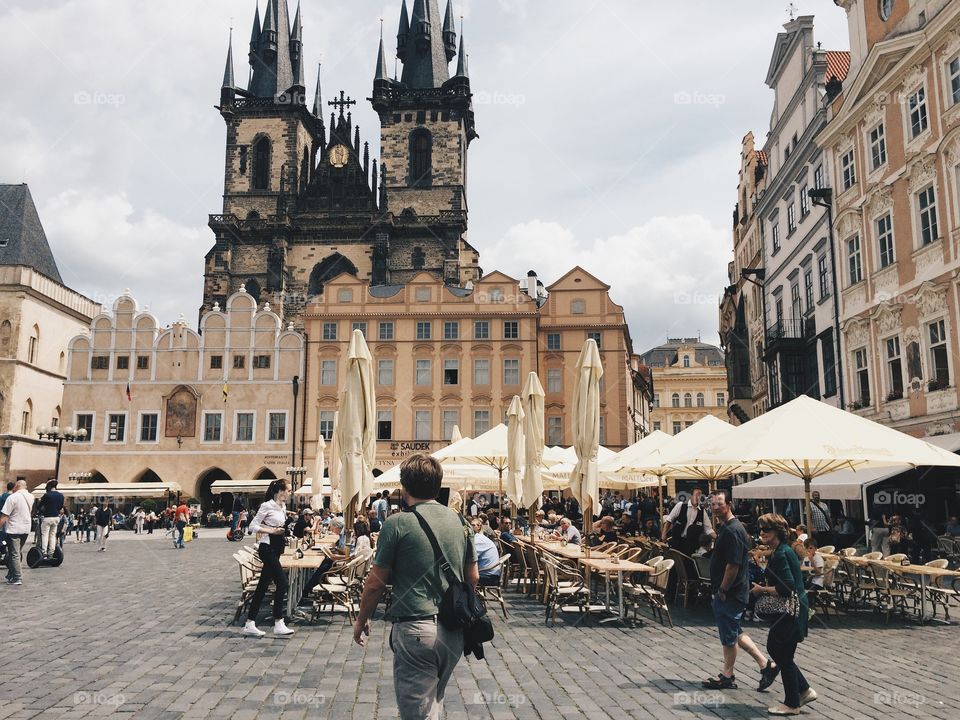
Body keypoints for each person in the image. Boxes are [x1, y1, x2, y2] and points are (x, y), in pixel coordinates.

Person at [352, 454, 478, 720]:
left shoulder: (398, 523)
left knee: (417, 714)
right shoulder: (460, 522)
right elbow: (473, 577)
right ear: (438, 485)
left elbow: (375, 583)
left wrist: (361, 619)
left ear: (404, 486)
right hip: (453, 632)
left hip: (416, 630)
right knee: (433, 704)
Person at [704, 489, 777, 692]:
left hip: (731, 591)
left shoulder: (732, 530)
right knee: (735, 632)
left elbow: (733, 565)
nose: (716, 507)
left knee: (728, 637)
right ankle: (766, 665)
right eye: (713, 504)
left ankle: (727, 676)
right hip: (732, 591)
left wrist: (723, 589)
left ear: (729, 504)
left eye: (719, 503)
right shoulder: (727, 528)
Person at [752, 513, 815, 715]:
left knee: (782, 654)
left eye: (766, 529)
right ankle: (804, 690)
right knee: (778, 650)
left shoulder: (781, 553)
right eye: (760, 529)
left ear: (778, 531)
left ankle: (792, 703)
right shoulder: (781, 550)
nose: (762, 533)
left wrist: (762, 590)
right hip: (794, 608)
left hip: (790, 609)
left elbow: (787, 587)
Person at [242, 479, 295, 637]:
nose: (290, 493)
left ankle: (250, 623)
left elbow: (279, 526)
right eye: (289, 490)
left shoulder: (283, 506)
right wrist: (272, 531)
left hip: (277, 547)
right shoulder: (267, 505)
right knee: (283, 582)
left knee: (262, 586)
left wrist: (285, 526)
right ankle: (278, 621)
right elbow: (252, 526)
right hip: (267, 548)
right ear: (280, 490)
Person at [0, 480, 34, 585]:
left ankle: (17, 577)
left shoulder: (13, 497)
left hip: (14, 528)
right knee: (15, 552)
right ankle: (11, 575)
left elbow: (5, 516)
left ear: (17, 486)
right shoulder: (31, 497)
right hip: (26, 528)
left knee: (14, 554)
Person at [662, 487, 714, 555]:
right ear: (691, 496)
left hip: (691, 544)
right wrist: (664, 534)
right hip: (677, 540)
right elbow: (669, 520)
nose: (699, 497)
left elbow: (708, 529)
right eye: (697, 494)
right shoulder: (681, 505)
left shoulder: (702, 511)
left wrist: (718, 538)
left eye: (700, 495)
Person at [36, 480, 65, 559]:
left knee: (44, 535)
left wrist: (42, 508)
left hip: (47, 517)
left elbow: (39, 506)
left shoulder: (47, 495)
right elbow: (60, 507)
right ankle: (51, 553)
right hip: (56, 517)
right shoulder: (61, 495)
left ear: (49, 487)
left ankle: (44, 552)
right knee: (52, 535)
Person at [471, 518, 501, 586]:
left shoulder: (478, 540)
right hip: (491, 573)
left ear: (479, 527)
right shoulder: (480, 538)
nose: (470, 527)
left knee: (459, 577)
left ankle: (468, 595)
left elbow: (470, 556)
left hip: (489, 576)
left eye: (472, 525)